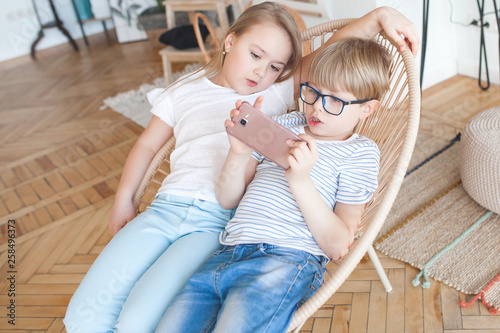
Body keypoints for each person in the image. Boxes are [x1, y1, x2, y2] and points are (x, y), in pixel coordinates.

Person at [64, 2, 418, 332]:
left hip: (218, 224)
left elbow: (334, 67)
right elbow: (146, 145)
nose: (262, 70)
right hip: (171, 212)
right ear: (230, 41)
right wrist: (124, 199)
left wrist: (379, 17)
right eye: (255, 54)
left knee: (138, 321)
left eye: (276, 66)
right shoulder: (188, 92)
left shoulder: (280, 93)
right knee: (84, 315)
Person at [156, 37, 391, 333]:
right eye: (313, 92)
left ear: (367, 109)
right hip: (227, 252)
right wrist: (238, 153)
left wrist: (301, 180)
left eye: (334, 100)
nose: (316, 107)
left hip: (284, 259)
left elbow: (338, 245)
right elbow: (228, 199)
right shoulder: (286, 124)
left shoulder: (360, 153)